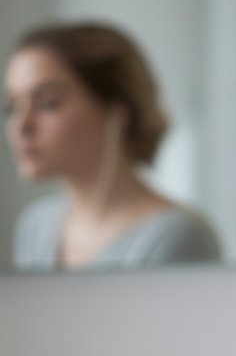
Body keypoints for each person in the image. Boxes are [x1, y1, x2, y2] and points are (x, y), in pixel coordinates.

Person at [4, 21, 221, 271]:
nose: (21, 126)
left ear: (115, 112)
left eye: (47, 103)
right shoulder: (35, 226)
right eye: (11, 107)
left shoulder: (178, 235)